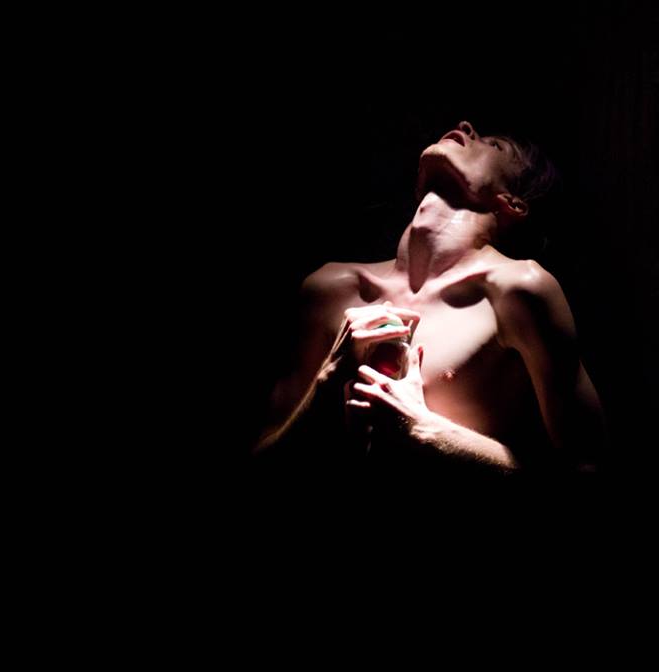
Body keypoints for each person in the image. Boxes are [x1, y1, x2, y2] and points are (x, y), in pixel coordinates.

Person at [252, 120, 608, 476]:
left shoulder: (519, 289)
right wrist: (328, 377)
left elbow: (588, 469)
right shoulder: (329, 287)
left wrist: (426, 432)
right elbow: (260, 464)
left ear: (513, 203)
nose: (466, 126)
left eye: (495, 145)